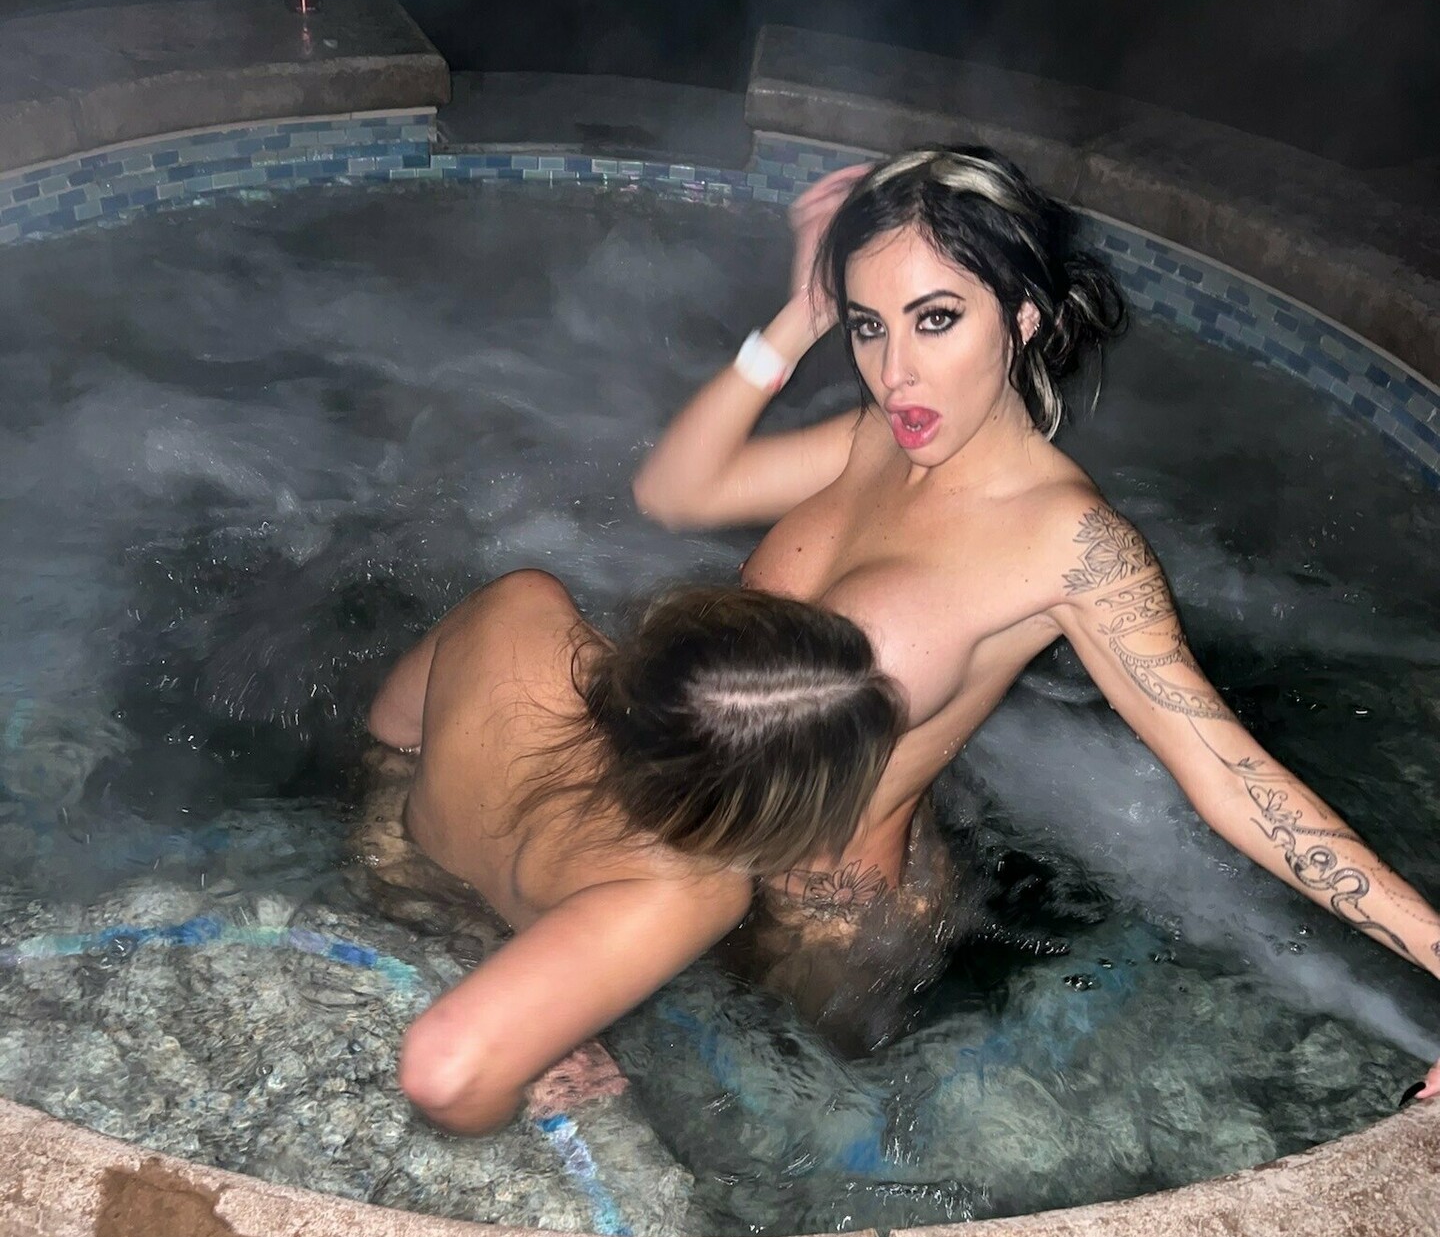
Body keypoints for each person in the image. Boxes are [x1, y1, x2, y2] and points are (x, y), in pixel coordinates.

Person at [632, 145, 1440, 1093]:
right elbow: (671, 493)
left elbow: (1229, 776)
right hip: (704, 846)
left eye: (937, 320)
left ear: (1022, 317)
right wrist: (801, 316)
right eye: (869, 326)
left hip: (829, 932)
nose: (896, 374)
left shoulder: (1069, 544)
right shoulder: (874, 440)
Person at [358, 570, 904, 1133]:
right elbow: (442, 1069)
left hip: (392, 872)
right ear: (760, 812)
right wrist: (517, 1101)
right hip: (475, 959)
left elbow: (390, 732)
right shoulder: (690, 892)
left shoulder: (520, 605)